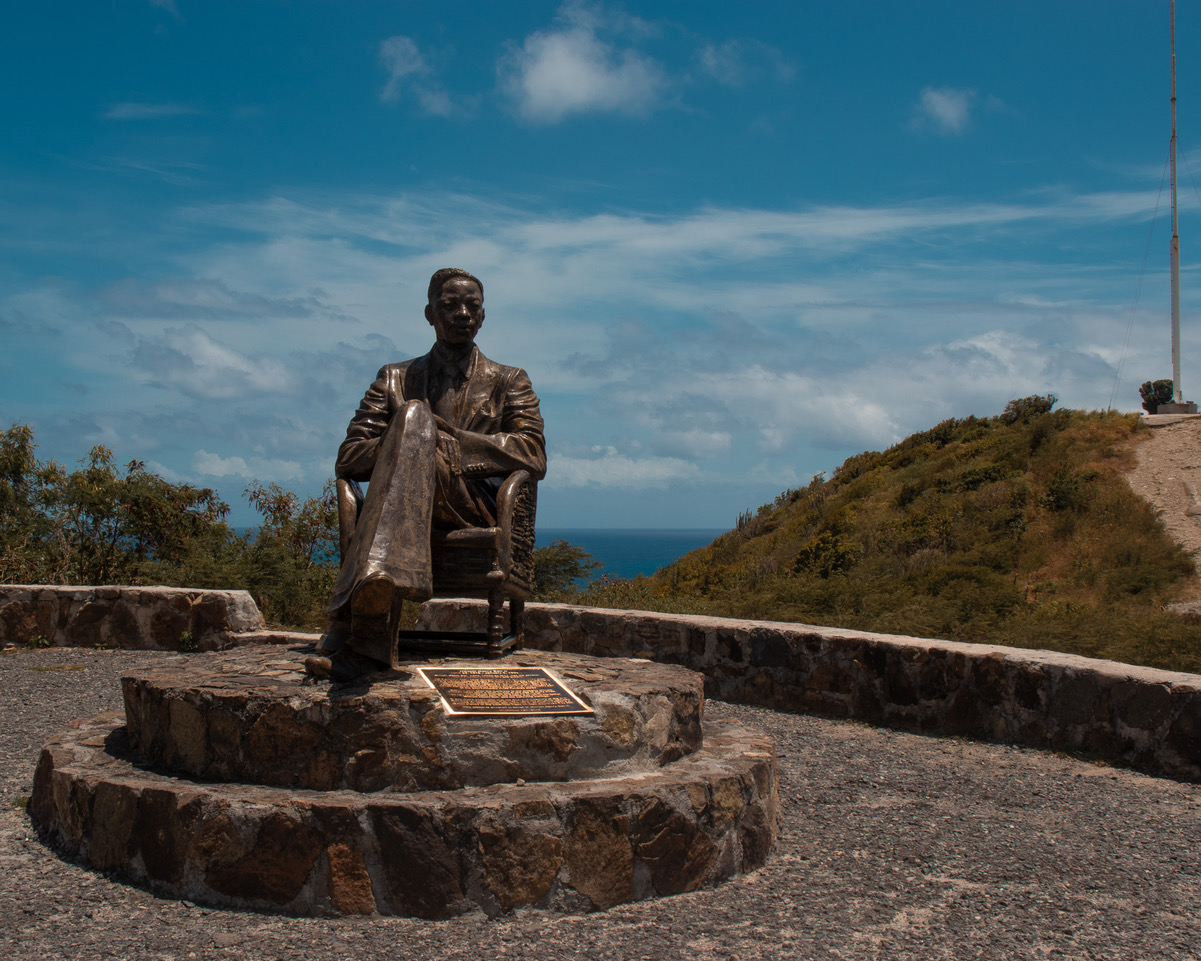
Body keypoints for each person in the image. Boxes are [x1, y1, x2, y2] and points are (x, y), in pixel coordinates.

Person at [305, 268, 546, 680]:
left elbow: (532, 453)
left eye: (472, 306)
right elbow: (349, 458)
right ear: (429, 314)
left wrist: (451, 439)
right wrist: (411, 438)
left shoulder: (509, 380)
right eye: (450, 305)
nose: (463, 314)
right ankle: (370, 642)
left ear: (484, 316)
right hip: (406, 499)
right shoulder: (394, 377)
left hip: (469, 501)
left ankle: (351, 622)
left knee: (414, 414)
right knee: (413, 419)